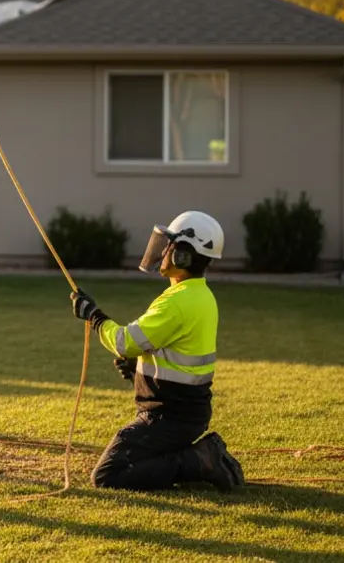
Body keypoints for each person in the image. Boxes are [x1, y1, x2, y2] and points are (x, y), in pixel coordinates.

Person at [69, 210, 246, 492]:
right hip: (185, 415)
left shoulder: (177, 302)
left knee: (107, 476)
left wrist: (95, 317)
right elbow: (173, 354)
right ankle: (199, 456)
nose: (163, 251)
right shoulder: (200, 295)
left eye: (170, 246)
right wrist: (138, 371)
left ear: (183, 256)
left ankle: (201, 460)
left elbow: (124, 342)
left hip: (169, 418)